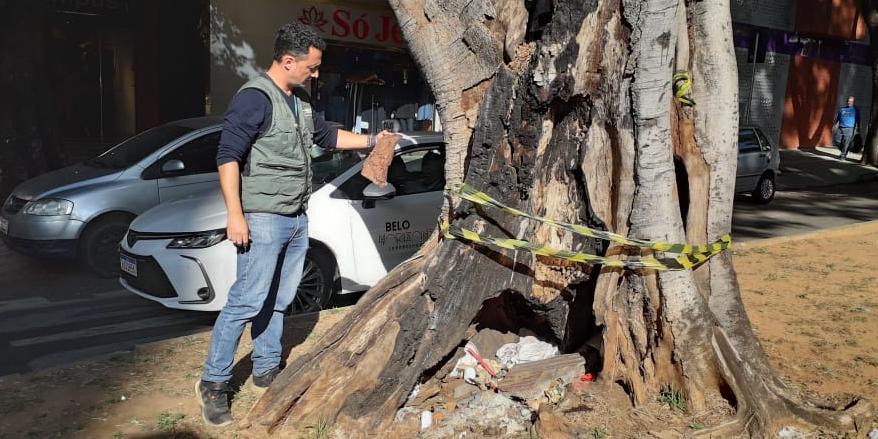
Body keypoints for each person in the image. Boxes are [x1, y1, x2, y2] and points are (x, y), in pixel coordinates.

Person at [197, 22, 391, 427]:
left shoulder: (299, 100)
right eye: (313, 66)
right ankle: (214, 383)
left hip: (296, 216)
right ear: (289, 60)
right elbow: (228, 156)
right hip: (263, 218)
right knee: (247, 300)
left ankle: (267, 367)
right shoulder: (254, 99)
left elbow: (326, 137)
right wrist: (235, 214)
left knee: (279, 298)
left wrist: (375, 141)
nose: (316, 74)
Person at [834, 96, 860, 161]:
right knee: (836, 141)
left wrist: (858, 128)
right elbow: (838, 118)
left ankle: (843, 156)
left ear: (853, 102)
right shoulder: (842, 109)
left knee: (846, 142)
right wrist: (834, 125)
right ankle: (845, 150)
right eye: (848, 101)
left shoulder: (856, 110)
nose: (849, 102)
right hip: (840, 127)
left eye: (851, 101)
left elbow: (858, 119)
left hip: (849, 128)